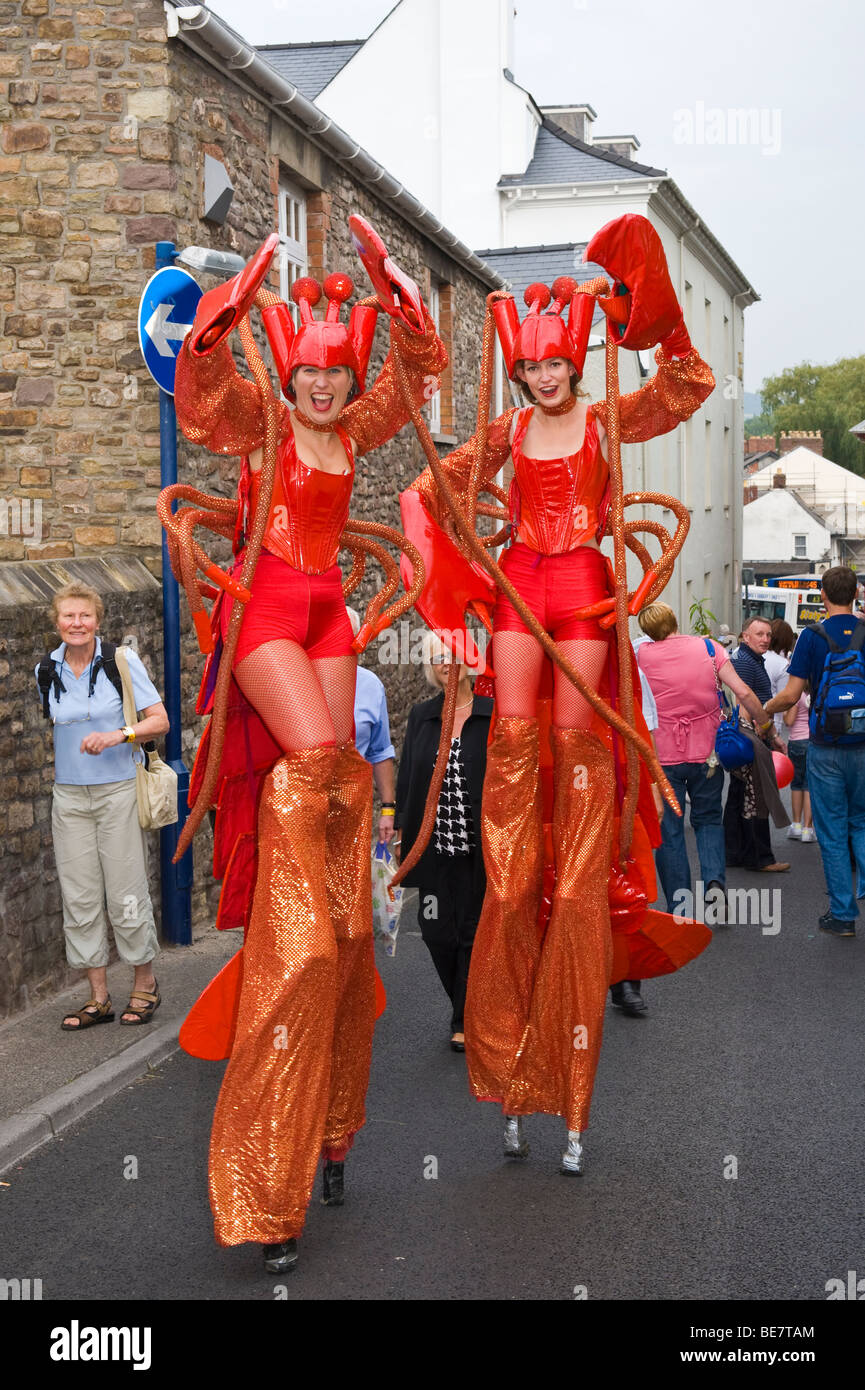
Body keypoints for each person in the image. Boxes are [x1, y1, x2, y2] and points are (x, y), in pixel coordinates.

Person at [165, 221, 448, 1273]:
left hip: (330, 613)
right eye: (309, 375)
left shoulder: (352, 429)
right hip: (268, 618)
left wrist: (399, 296)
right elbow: (201, 404)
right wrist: (215, 326)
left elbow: (415, 386)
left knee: (340, 801)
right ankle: (268, 1164)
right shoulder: (263, 425)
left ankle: (335, 1117)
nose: (324, 391)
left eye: (338, 375)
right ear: (285, 367)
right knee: (312, 776)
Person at [406, 214, 715, 1172]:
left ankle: (574, 927)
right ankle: (506, 1031)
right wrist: (449, 601)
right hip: (516, 597)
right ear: (518, 370)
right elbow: (426, 498)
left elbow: (689, 384)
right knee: (511, 800)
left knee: (577, 799)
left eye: (554, 366)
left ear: (573, 361)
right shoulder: (501, 431)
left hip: (581, 594)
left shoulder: (608, 414)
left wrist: (652, 312)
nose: (544, 379)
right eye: (530, 368)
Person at [37, 583, 169, 1030]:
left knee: (127, 892)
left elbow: (160, 720)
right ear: (57, 621)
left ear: (98, 620)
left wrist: (119, 735)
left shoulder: (121, 661)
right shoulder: (45, 670)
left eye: (85, 616)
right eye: (69, 616)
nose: (77, 624)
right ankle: (97, 997)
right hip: (68, 798)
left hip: (116, 793)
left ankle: (144, 984)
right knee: (79, 896)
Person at [637, 603, 769, 923]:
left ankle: (680, 909)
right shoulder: (709, 648)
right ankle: (714, 886)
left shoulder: (638, 656)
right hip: (708, 755)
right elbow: (742, 691)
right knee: (709, 821)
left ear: (647, 631)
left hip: (661, 758)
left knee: (670, 832)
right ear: (674, 621)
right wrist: (764, 724)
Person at [394, 633, 492, 1050]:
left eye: (452, 658)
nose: (445, 665)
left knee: (472, 929)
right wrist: (400, 828)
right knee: (435, 929)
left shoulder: (493, 715)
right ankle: (465, 1004)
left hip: (478, 843)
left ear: (469, 663)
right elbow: (408, 775)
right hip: (432, 844)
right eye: (437, 660)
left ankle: (463, 1019)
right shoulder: (422, 716)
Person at [765, 566, 865, 935]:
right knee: (862, 822)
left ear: (823, 595)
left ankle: (842, 915)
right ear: (857, 593)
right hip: (864, 744)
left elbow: (791, 695)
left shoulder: (812, 636)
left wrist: (765, 710)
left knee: (833, 831)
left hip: (825, 745)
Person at [724, 615, 790, 873]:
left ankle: (736, 853)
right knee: (756, 797)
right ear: (745, 636)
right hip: (751, 736)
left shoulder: (750, 659)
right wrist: (765, 734)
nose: (765, 639)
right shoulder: (744, 662)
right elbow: (743, 701)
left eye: (768, 635)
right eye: (759, 634)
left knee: (739, 797)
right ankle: (760, 858)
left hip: (750, 735)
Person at [346, 607, 396, 845]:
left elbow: (380, 750)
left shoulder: (370, 685)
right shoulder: (300, 678)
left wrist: (387, 809)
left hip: (354, 809)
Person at [783, 685, 815, 842]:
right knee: (809, 785)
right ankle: (808, 830)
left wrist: (784, 712)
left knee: (796, 784)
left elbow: (789, 720)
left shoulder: (796, 695)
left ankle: (796, 825)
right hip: (812, 740)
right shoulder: (815, 692)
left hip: (796, 742)